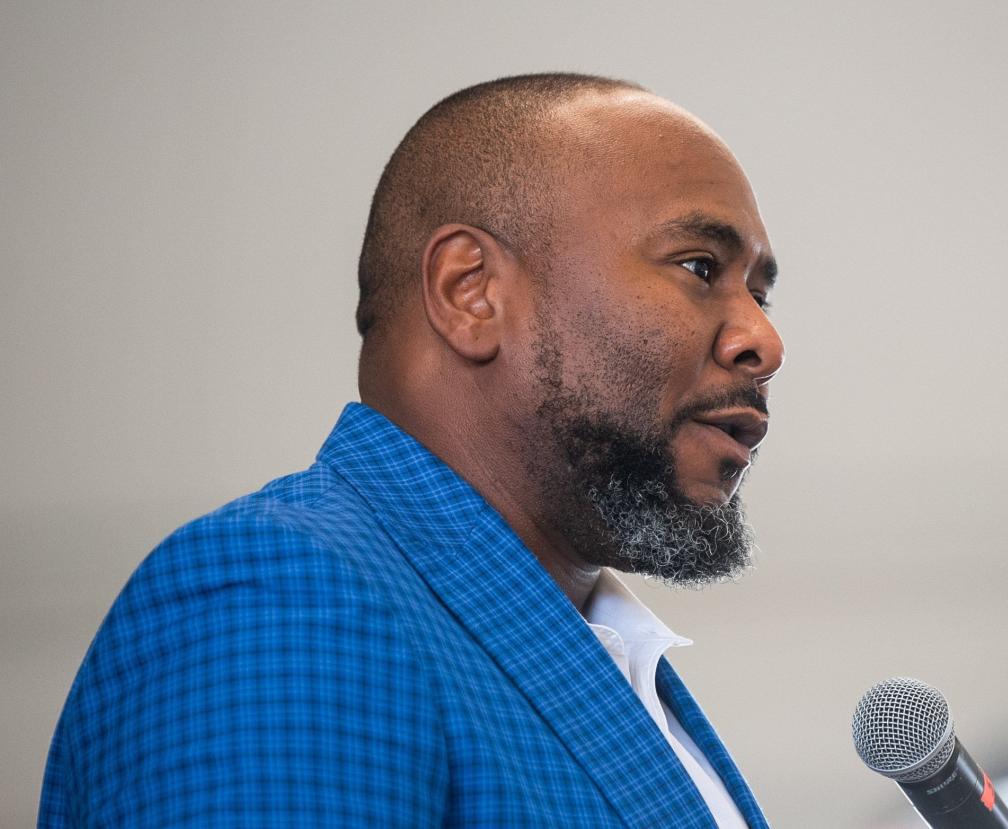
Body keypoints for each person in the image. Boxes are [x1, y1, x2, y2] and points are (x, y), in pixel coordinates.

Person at [39, 72, 784, 828]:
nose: (764, 338)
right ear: (470, 292)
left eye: (761, 294)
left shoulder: (610, 660)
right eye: (699, 268)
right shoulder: (288, 597)